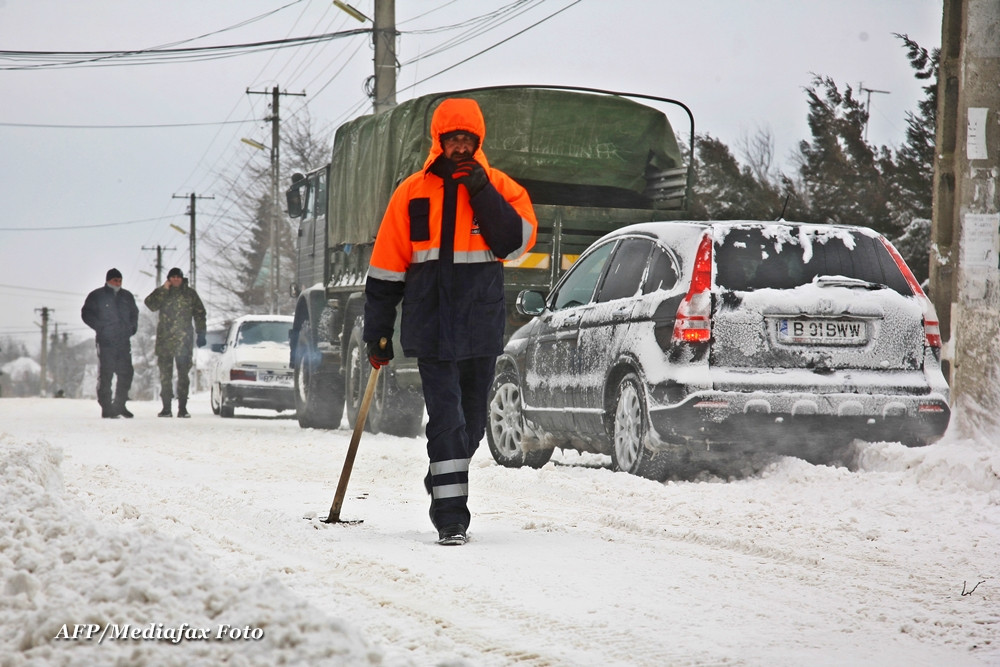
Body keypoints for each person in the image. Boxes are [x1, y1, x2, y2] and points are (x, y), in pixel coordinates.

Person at [363, 98, 538, 545]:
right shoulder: (411, 192)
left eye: (467, 140)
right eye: (452, 139)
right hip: (431, 326)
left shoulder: (502, 188)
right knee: (448, 422)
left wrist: (481, 191)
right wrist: (377, 330)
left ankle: (442, 475)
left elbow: (514, 243)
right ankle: (451, 518)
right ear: (438, 142)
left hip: (480, 326)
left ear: (478, 142)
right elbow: (386, 268)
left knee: (473, 425)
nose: (459, 147)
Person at [144, 267, 207, 418]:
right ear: (169, 279)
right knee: (165, 376)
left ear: (182, 278)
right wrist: (163, 289)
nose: (176, 279)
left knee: (183, 376)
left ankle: (182, 408)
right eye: (172, 277)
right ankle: (166, 408)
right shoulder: (163, 293)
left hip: (184, 342)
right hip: (165, 342)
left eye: (178, 277)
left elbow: (199, 313)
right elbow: (150, 304)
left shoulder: (190, 294)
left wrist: (201, 333)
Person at [81, 268, 139, 418]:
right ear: (108, 280)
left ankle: (120, 405)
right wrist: (100, 327)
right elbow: (86, 314)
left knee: (126, 373)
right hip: (105, 341)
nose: (118, 283)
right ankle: (106, 407)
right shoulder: (97, 295)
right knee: (106, 374)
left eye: (120, 280)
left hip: (123, 341)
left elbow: (134, 314)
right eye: (115, 280)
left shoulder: (127, 296)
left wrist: (132, 328)